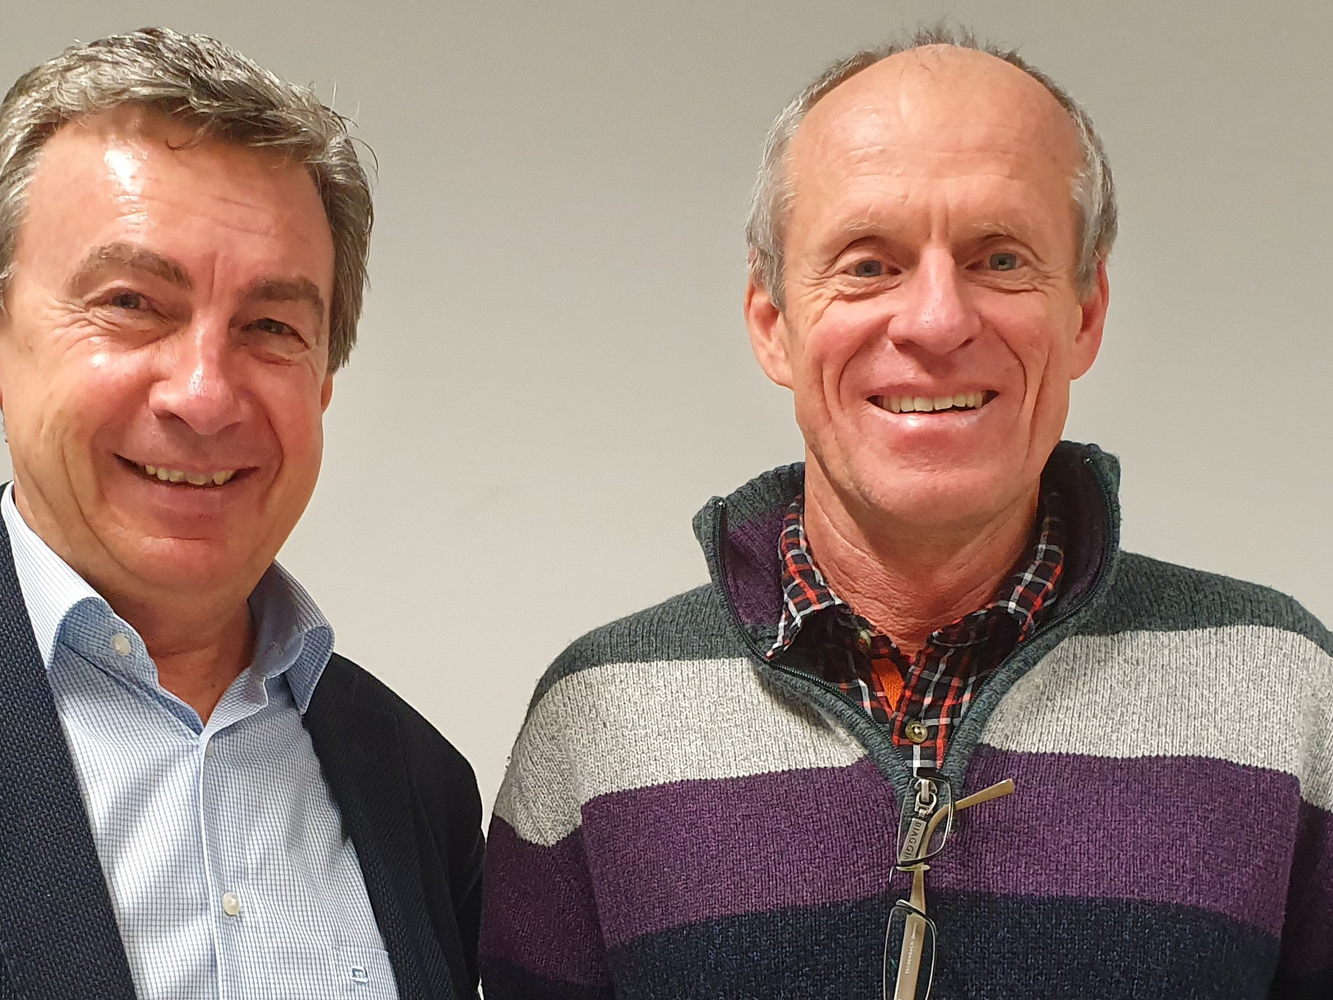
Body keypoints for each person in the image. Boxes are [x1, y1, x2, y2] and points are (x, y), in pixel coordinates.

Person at [480, 26, 1333, 1000]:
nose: (935, 321)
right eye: (867, 263)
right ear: (773, 321)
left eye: (1000, 258)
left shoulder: (1288, 695)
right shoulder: (597, 718)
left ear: (1086, 312)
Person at [0, 28, 481, 1000]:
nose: (204, 395)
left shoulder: (422, 786)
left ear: (325, 377)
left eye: (272, 326)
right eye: (132, 303)